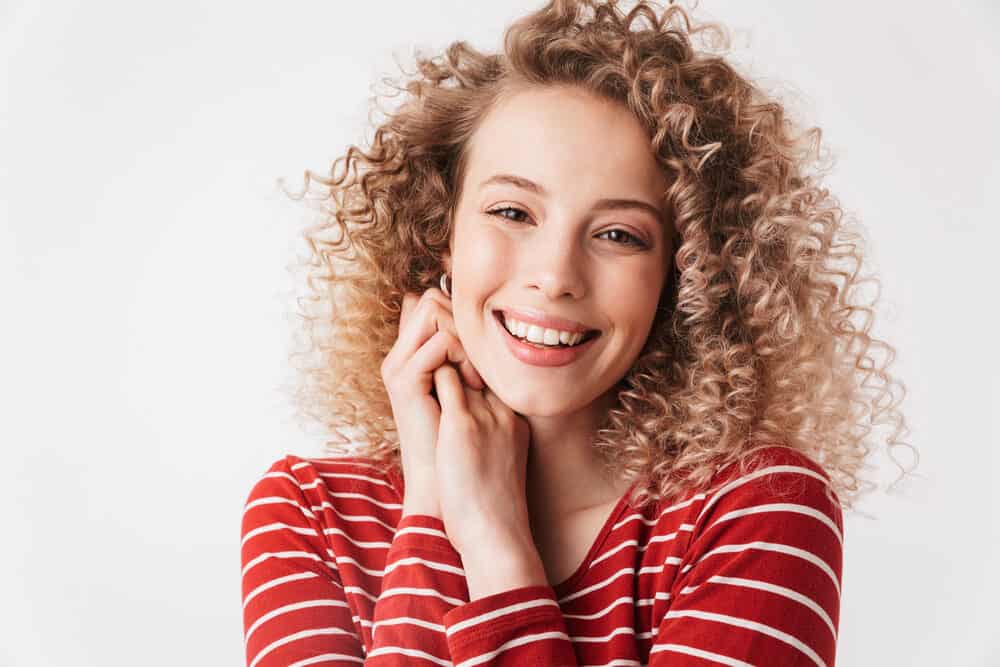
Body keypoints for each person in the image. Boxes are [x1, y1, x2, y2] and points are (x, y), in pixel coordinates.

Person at [240, 1, 914, 665]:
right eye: (512, 211)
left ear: (685, 276)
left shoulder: (760, 512)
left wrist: (493, 538)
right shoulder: (310, 516)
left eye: (618, 234)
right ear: (440, 234)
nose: (555, 275)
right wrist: (429, 506)